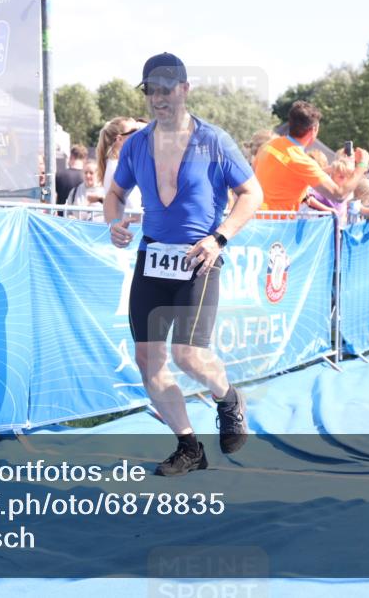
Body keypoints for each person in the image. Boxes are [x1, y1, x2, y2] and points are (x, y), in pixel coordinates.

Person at [104, 52, 263, 477]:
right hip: (153, 258)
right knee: (148, 359)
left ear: (185, 89)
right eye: (151, 90)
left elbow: (253, 194)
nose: (159, 98)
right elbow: (115, 194)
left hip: (199, 258)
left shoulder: (214, 141)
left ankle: (227, 397)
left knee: (190, 356)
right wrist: (114, 221)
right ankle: (189, 446)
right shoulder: (136, 143)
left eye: (167, 89)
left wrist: (220, 236)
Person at [252, 101, 367, 213]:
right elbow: (339, 194)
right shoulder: (301, 161)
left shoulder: (268, 145)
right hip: (280, 226)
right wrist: (362, 165)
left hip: (256, 220)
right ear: (314, 130)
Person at [97, 117, 144, 212]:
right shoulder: (117, 168)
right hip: (132, 225)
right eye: (134, 131)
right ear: (119, 139)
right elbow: (134, 207)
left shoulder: (116, 165)